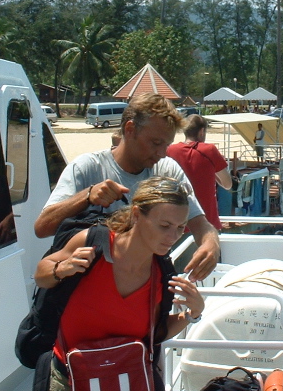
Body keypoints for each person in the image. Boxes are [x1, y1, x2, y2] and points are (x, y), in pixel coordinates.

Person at [35, 176, 204, 391]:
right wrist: (62, 269)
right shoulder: (93, 244)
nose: (173, 236)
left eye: (181, 228)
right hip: (70, 380)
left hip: (126, 380)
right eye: (164, 225)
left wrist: (193, 314)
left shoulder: (161, 273)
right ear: (136, 215)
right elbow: (41, 274)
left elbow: (156, 333)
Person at [34, 93, 219, 282]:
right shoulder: (87, 167)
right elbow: (42, 228)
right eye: (156, 143)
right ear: (130, 129)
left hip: (140, 292)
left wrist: (211, 242)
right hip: (89, 291)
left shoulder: (167, 170)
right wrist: (87, 196)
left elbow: (199, 222)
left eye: (167, 145)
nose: (162, 153)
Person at [167, 115, 233, 229]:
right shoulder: (209, 150)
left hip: (177, 226)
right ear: (202, 131)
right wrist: (213, 173)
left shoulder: (170, 150)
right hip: (207, 223)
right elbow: (228, 185)